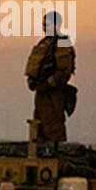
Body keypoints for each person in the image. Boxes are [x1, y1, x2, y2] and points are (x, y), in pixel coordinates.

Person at [24, 11, 76, 142]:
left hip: (53, 94)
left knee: (53, 128)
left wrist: (49, 83)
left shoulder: (63, 42)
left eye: (47, 24)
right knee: (38, 128)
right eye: (43, 24)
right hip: (41, 93)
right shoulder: (44, 43)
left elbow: (64, 71)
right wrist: (32, 80)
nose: (44, 27)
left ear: (56, 25)